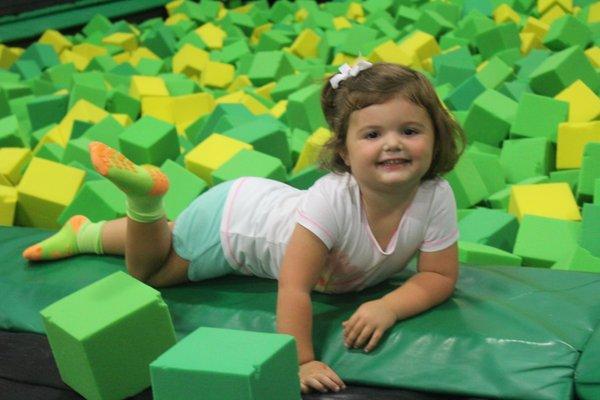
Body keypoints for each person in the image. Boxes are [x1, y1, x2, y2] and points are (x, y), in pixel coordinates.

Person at [23, 61, 465, 394]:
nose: (392, 143)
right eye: (372, 135)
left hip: (260, 203)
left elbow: (439, 275)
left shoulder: (435, 195)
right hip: (231, 227)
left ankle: (83, 231)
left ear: (436, 136)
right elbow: (293, 288)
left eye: (410, 131)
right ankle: (144, 203)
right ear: (345, 153)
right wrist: (300, 361)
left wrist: (389, 306)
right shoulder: (332, 200)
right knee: (151, 273)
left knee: (174, 237)